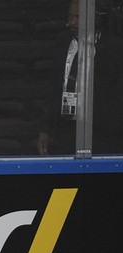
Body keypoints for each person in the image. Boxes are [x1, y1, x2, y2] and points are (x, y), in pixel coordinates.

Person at [37, 0, 123, 155]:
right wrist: (45, 129)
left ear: (93, 18)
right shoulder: (62, 42)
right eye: (70, 17)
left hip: (102, 131)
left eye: (77, 17)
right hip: (67, 128)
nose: (72, 22)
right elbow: (54, 88)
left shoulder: (114, 47)